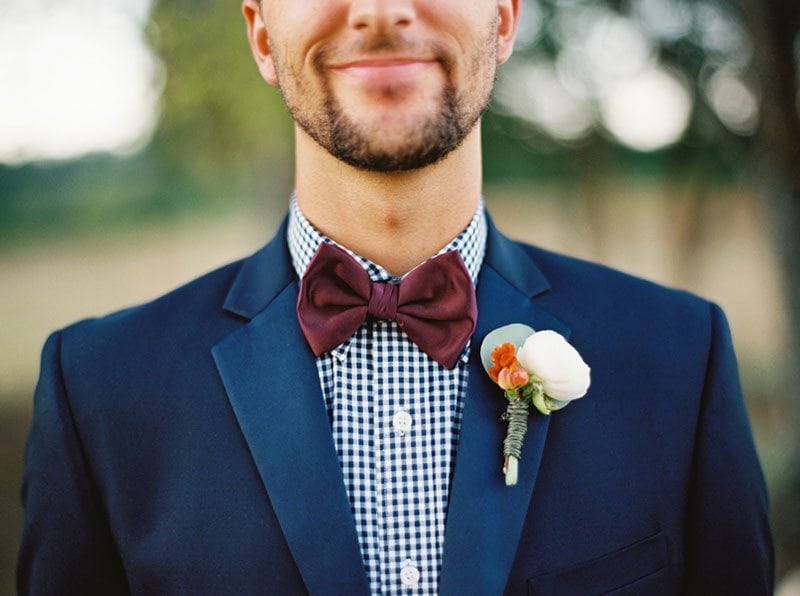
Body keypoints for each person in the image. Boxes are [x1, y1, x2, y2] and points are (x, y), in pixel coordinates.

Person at [18, 0, 773, 594]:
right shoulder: (99, 394)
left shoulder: (681, 358)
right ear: (259, 34)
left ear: (504, 17)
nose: (380, 11)